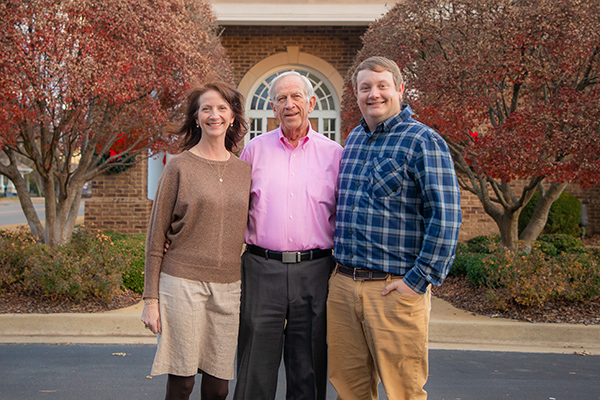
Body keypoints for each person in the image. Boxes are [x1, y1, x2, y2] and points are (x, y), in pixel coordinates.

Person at [328, 56, 462, 400]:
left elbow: (445, 217)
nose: (374, 94)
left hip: (392, 289)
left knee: (403, 391)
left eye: (382, 85)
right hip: (344, 286)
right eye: (365, 87)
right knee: (350, 388)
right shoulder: (354, 139)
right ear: (356, 94)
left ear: (400, 89)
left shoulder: (422, 141)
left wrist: (419, 281)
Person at [233, 71, 343, 400]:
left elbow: (346, 213)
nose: (289, 104)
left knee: (307, 367)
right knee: (255, 366)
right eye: (281, 98)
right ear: (272, 107)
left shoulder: (334, 154)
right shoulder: (254, 151)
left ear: (311, 103)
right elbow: (233, 209)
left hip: (315, 270)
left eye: (296, 97)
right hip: (261, 268)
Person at [141, 81, 251, 400]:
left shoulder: (244, 170)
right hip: (181, 283)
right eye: (206, 108)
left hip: (229, 287)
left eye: (221, 108)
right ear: (196, 117)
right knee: (183, 380)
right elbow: (155, 235)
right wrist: (151, 300)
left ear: (232, 117)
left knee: (218, 387)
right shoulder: (178, 166)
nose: (214, 115)